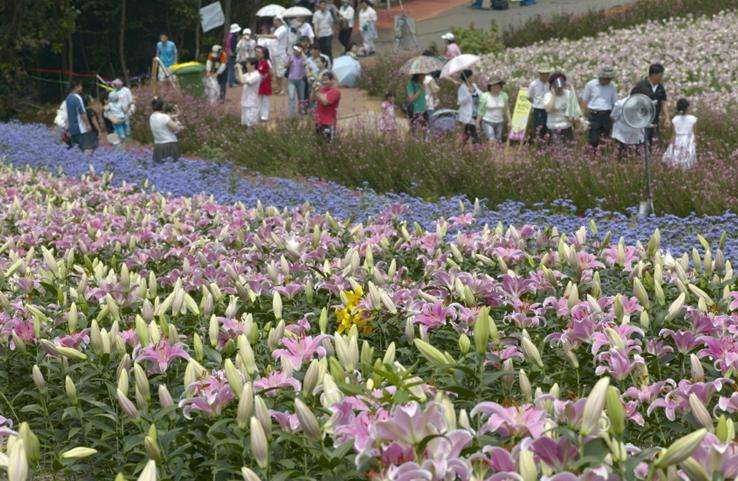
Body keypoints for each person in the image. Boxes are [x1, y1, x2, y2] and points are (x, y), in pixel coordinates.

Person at [580, 66, 618, 149]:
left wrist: (615, 116)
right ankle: (592, 156)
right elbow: (584, 100)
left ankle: (603, 158)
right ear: (601, 77)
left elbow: (615, 102)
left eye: (609, 79)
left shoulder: (612, 86)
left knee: (606, 139)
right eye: (606, 78)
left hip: (607, 115)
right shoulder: (591, 85)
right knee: (593, 140)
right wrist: (582, 117)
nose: (607, 80)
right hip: (594, 115)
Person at [630, 63, 668, 146]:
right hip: (642, 121)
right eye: (661, 75)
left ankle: (652, 157)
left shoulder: (660, 87)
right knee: (643, 143)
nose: (662, 77)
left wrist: (667, 117)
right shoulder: (641, 86)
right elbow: (632, 101)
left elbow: (663, 102)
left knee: (654, 143)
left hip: (655, 120)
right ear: (654, 74)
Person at [543, 72, 581, 144]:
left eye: (562, 87)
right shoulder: (547, 96)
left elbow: (574, 110)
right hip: (553, 127)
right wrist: (554, 96)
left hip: (567, 127)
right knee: (555, 150)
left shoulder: (568, 94)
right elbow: (548, 109)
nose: (560, 89)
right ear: (552, 86)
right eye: (557, 87)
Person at [662, 98, 697, 168]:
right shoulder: (693, 119)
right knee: (688, 158)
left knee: (677, 156)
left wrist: (671, 144)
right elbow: (694, 132)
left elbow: (674, 134)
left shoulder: (675, 119)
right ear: (687, 107)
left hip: (678, 139)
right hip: (689, 140)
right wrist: (694, 142)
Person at [149, 98, 183, 162]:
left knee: (160, 169)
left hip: (158, 145)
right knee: (173, 168)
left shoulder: (151, 117)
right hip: (169, 144)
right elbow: (176, 128)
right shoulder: (164, 117)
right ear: (162, 106)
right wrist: (179, 124)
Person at [478, 77, 511, 143]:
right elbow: (481, 111)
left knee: (498, 140)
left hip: (500, 122)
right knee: (492, 140)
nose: (497, 87)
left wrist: (510, 121)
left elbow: (507, 109)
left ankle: (492, 153)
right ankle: (491, 152)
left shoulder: (504, 95)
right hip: (487, 121)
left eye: (498, 85)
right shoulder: (485, 96)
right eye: (494, 85)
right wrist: (477, 123)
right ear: (490, 86)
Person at [65, 82, 94, 153]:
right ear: (76, 87)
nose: (82, 88)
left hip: (72, 129)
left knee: (77, 151)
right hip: (81, 128)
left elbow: (69, 113)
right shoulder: (77, 97)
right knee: (88, 150)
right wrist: (87, 125)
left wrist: (68, 127)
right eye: (80, 86)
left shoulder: (68, 98)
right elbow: (82, 113)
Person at [313, 71, 341, 142]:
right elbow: (312, 99)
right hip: (318, 121)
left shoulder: (335, 92)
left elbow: (325, 102)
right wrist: (313, 89)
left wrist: (317, 92)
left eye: (326, 80)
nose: (324, 82)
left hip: (328, 123)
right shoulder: (321, 90)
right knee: (318, 144)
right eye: (323, 80)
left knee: (328, 145)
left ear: (332, 81)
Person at [236, 59, 262, 129]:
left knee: (250, 124)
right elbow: (239, 79)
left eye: (247, 63)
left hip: (252, 102)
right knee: (244, 123)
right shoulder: (247, 74)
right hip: (245, 100)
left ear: (253, 65)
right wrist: (237, 70)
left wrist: (240, 70)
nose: (246, 65)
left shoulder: (256, 75)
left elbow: (242, 81)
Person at [528, 65, 552, 140]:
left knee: (548, 127)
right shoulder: (533, 84)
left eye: (547, 74)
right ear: (540, 74)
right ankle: (538, 145)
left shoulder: (550, 84)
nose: (546, 76)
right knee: (538, 128)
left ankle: (547, 145)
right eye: (543, 74)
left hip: (548, 109)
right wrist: (536, 103)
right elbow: (529, 97)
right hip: (538, 109)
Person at [457, 70, 480, 145]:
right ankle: (478, 147)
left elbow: (480, 94)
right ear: (468, 77)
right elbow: (459, 101)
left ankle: (460, 148)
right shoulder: (462, 88)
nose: (473, 77)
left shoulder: (474, 85)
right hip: (468, 113)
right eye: (472, 76)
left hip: (475, 111)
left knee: (466, 133)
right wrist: (469, 94)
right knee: (473, 132)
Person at [286, 46, 308, 117]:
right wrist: (289, 64)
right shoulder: (291, 57)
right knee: (291, 97)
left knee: (301, 98)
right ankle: (291, 114)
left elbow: (306, 63)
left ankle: (301, 113)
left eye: (296, 50)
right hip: (291, 80)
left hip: (300, 80)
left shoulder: (303, 58)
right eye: (294, 50)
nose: (294, 51)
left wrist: (302, 53)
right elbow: (285, 66)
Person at [256, 46, 273, 122]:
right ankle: (259, 114)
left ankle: (264, 116)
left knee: (265, 100)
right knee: (259, 99)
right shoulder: (259, 62)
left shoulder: (268, 61)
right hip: (259, 83)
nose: (257, 54)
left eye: (259, 52)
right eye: (257, 52)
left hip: (265, 83)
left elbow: (271, 72)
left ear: (264, 54)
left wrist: (266, 77)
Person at [225, 23, 242, 89]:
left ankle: (234, 80)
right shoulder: (232, 37)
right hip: (231, 54)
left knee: (233, 67)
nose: (238, 32)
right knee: (231, 68)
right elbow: (228, 46)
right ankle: (231, 83)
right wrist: (231, 53)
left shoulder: (232, 35)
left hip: (232, 53)